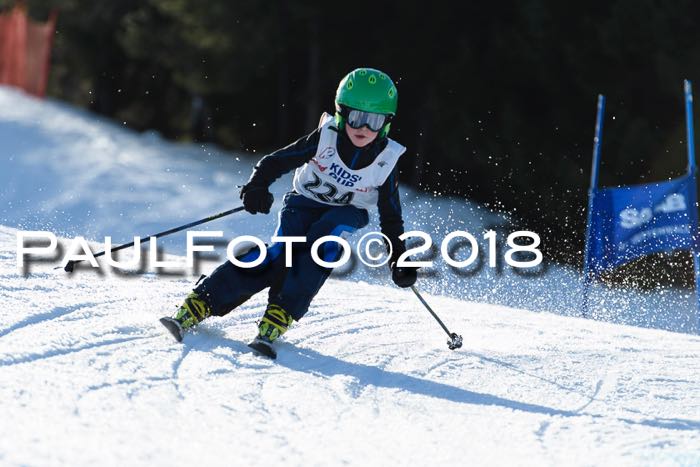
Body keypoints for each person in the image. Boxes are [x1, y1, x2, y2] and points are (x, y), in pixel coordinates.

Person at [160, 68, 417, 356]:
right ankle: (203, 300)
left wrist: (399, 259)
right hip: (303, 203)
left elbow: (391, 216)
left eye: (374, 121)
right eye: (356, 117)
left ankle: (281, 312)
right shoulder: (325, 138)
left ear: (386, 124)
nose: (363, 128)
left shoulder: (386, 161)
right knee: (279, 255)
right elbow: (276, 161)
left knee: (324, 242)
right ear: (342, 113)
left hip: (348, 212)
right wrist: (257, 186)